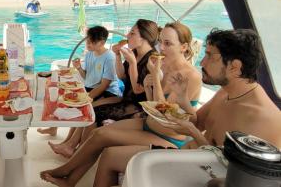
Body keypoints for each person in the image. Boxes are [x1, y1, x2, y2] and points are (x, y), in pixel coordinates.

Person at [93, 29, 281, 187]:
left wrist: (192, 131)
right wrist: (183, 100)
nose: (201, 62)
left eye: (209, 56)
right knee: (110, 156)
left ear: (235, 67)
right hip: (189, 156)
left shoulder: (262, 118)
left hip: (206, 174)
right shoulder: (226, 92)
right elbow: (196, 122)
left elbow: (229, 172)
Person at [40, 22, 202, 187]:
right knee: (99, 134)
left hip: (167, 135)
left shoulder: (191, 76)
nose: (161, 48)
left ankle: (65, 171)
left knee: (105, 144)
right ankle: (70, 179)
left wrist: (154, 77)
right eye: (161, 42)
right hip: (148, 123)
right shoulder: (164, 65)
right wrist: (148, 85)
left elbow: (163, 113)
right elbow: (152, 102)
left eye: (168, 44)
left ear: (184, 47)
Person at [47, 20, 159, 158]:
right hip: (125, 99)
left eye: (132, 33)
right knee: (89, 107)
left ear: (144, 38)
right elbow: (122, 75)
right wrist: (118, 55)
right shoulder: (135, 53)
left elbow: (137, 90)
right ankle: (69, 144)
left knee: (93, 112)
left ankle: (78, 152)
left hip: (139, 107)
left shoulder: (152, 59)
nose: (127, 35)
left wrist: (133, 63)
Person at [45, 26, 122, 156]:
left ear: (102, 42)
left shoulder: (109, 57)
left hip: (108, 92)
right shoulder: (89, 54)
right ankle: (67, 141)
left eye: (92, 42)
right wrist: (79, 68)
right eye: (87, 41)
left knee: (82, 106)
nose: (88, 44)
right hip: (91, 88)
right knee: (66, 96)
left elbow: (104, 85)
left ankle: (70, 146)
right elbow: (86, 76)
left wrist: (86, 98)